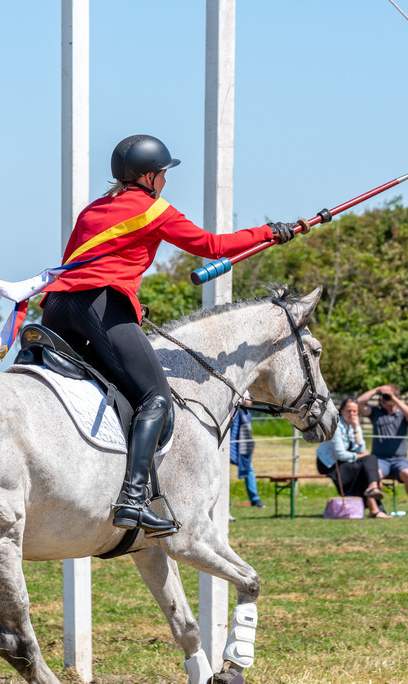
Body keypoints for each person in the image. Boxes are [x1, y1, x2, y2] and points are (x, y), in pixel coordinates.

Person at [39, 134, 297, 536]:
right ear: (148, 177)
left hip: (57, 308)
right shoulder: (152, 210)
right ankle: (133, 499)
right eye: (162, 173)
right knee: (155, 398)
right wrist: (269, 233)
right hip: (101, 307)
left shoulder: (93, 208)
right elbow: (213, 246)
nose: (164, 180)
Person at [357, 384, 408, 517]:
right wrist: (377, 390)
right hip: (380, 459)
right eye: (383, 397)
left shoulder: (402, 413)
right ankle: (378, 507)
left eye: (387, 397)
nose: (385, 399)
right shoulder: (376, 412)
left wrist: (394, 398)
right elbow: (360, 402)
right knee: (375, 476)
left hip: (400, 459)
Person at [316, 398, 388, 518]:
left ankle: (373, 488)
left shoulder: (355, 425)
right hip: (330, 464)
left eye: (355, 411)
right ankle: (374, 507)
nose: (352, 414)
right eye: (349, 411)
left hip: (346, 461)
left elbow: (360, 448)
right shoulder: (336, 426)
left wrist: (355, 430)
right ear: (341, 411)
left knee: (370, 460)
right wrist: (361, 455)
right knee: (365, 465)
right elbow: (341, 454)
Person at [230, 395, 264, 509]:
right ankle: (223, 500)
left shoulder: (246, 413)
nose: (248, 401)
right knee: (223, 472)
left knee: (249, 469)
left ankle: (255, 499)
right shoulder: (236, 410)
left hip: (241, 445)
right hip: (228, 443)